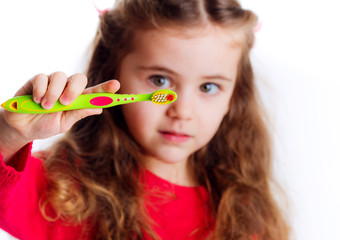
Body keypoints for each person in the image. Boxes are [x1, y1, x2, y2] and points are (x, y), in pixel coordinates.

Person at [0, 0, 289, 239]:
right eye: (160, 80)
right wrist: (9, 135)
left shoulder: (245, 213)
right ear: (112, 72)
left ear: (234, 96)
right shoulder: (63, 190)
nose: (182, 111)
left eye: (208, 87)